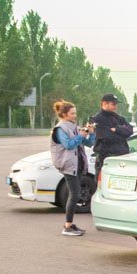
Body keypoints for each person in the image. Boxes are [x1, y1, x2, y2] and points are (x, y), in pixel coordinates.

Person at [50, 100, 95, 236]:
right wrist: (80, 135)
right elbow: (68, 145)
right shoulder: (60, 129)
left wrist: (91, 133)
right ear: (63, 114)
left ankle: (69, 224)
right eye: (72, 113)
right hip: (68, 165)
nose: (75, 115)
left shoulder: (73, 127)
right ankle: (67, 226)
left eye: (75, 113)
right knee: (74, 194)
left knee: (74, 193)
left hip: (78, 164)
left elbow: (88, 143)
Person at [91, 93, 133, 178]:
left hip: (121, 157)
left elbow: (130, 130)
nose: (115, 107)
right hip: (106, 158)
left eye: (116, 104)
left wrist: (117, 129)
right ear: (104, 103)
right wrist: (122, 134)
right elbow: (107, 136)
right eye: (113, 104)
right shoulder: (97, 119)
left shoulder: (118, 117)